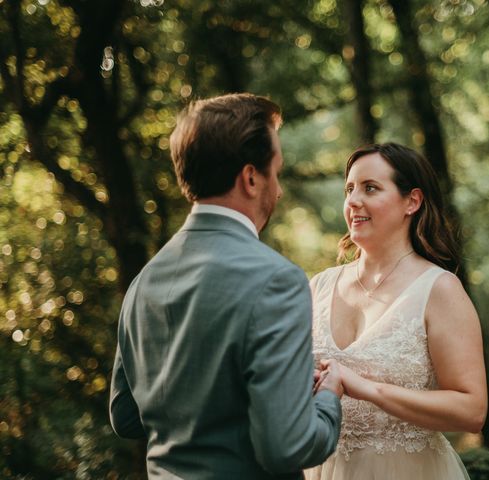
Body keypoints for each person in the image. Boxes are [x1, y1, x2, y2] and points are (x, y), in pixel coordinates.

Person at [109, 93, 343, 479]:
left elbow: (126, 418)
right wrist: (328, 398)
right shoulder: (276, 280)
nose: (279, 190)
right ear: (251, 177)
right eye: (276, 172)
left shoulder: (144, 281)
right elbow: (287, 446)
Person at [306, 143, 487, 480]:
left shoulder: (439, 289)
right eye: (349, 189)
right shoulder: (317, 287)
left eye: (370, 188)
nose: (353, 201)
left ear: (412, 201)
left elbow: (472, 410)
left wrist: (366, 387)